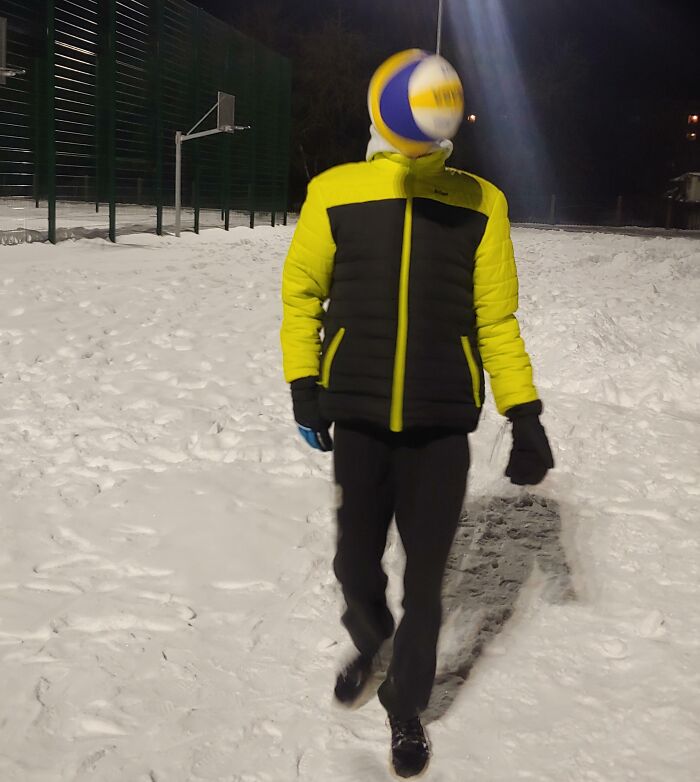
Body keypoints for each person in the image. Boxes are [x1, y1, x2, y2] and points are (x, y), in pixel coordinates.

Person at [280, 50, 554, 779]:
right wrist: (305, 383)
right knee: (352, 564)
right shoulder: (334, 191)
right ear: (383, 111)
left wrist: (523, 414)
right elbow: (302, 294)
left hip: (439, 430)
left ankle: (405, 709)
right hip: (361, 422)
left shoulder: (479, 202)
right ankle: (370, 640)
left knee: (427, 586)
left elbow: (497, 319)